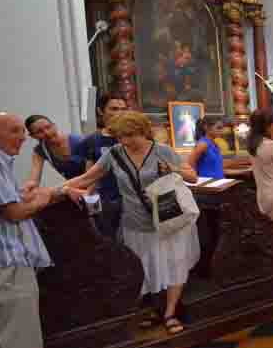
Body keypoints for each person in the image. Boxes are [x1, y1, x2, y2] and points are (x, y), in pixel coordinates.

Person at [64, 111, 200, 336]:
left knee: (174, 264)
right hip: (135, 221)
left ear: (142, 131)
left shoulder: (162, 151)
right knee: (142, 268)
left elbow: (192, 176)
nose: (125, 141)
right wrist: (56, 190)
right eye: (120, 137)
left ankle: (170, 312)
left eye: (130, 136)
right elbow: (87, 178)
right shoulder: (114, 154)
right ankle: (153, 308)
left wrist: (172, 169)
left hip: (166, 218)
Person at [0, 113, 78, 348]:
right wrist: (44, 197)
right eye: (16, 131)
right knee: (21, 336)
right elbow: (14, 213)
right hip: (9, 262)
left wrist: (25, 195)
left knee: (5, 335)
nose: (23, 137)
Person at [78, 93, 129, 238]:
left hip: (133, 201)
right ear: (101, 111)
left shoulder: (135, 137)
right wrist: (89, 202)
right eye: (114, 109)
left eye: (123, 109)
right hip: (107, 203)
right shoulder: (92, 141)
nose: (119, 113)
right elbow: (89, 176)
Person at [22, 115, 86, 191]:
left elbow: (91, 176)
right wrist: (29, 187)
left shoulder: (80, 141)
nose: (47, 133)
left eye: (48, 127)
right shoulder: (40, 151)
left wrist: (59, 189)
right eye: (39, 131)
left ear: (54, 126)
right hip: (76, 188)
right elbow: (34, 179)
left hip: (95, 184)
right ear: (33, 136)